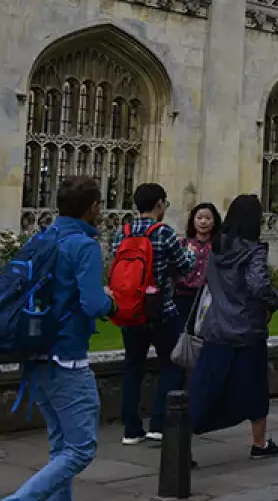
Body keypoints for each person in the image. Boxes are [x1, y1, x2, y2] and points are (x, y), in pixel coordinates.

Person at [6, 176, 114, 501]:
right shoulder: (84, 245)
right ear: (93, 207)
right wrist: (111, 301)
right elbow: (93, 304)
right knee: (81, 449)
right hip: (67, 357)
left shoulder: (44, 237)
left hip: (35, 352)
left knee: (61, 446)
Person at [189, 193, 278, 458]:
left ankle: (181, 445)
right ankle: (259, 443)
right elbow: (258, 284)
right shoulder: (253, 251)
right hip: (247, 329)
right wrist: (273, 302)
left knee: (203, 389)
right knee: (255, 389)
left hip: (217, 327)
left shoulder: (216, 247)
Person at [115, 182, 195, 445]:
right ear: (159, 204)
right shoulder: (163, 232)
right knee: (171, 364)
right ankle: (159, 424)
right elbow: (184, 267)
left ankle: (131, 429)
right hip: (160, 309)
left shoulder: (123, 232)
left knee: (132, 368)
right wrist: (191, 254)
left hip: (130, 310)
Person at [175, 202, 220, 328]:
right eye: (199, 218)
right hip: (183, 297)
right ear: (193, 220)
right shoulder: (183, 244)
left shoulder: (218, 247)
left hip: (207, 297)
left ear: (214, 221)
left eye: (208, 218)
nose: (203, 222)